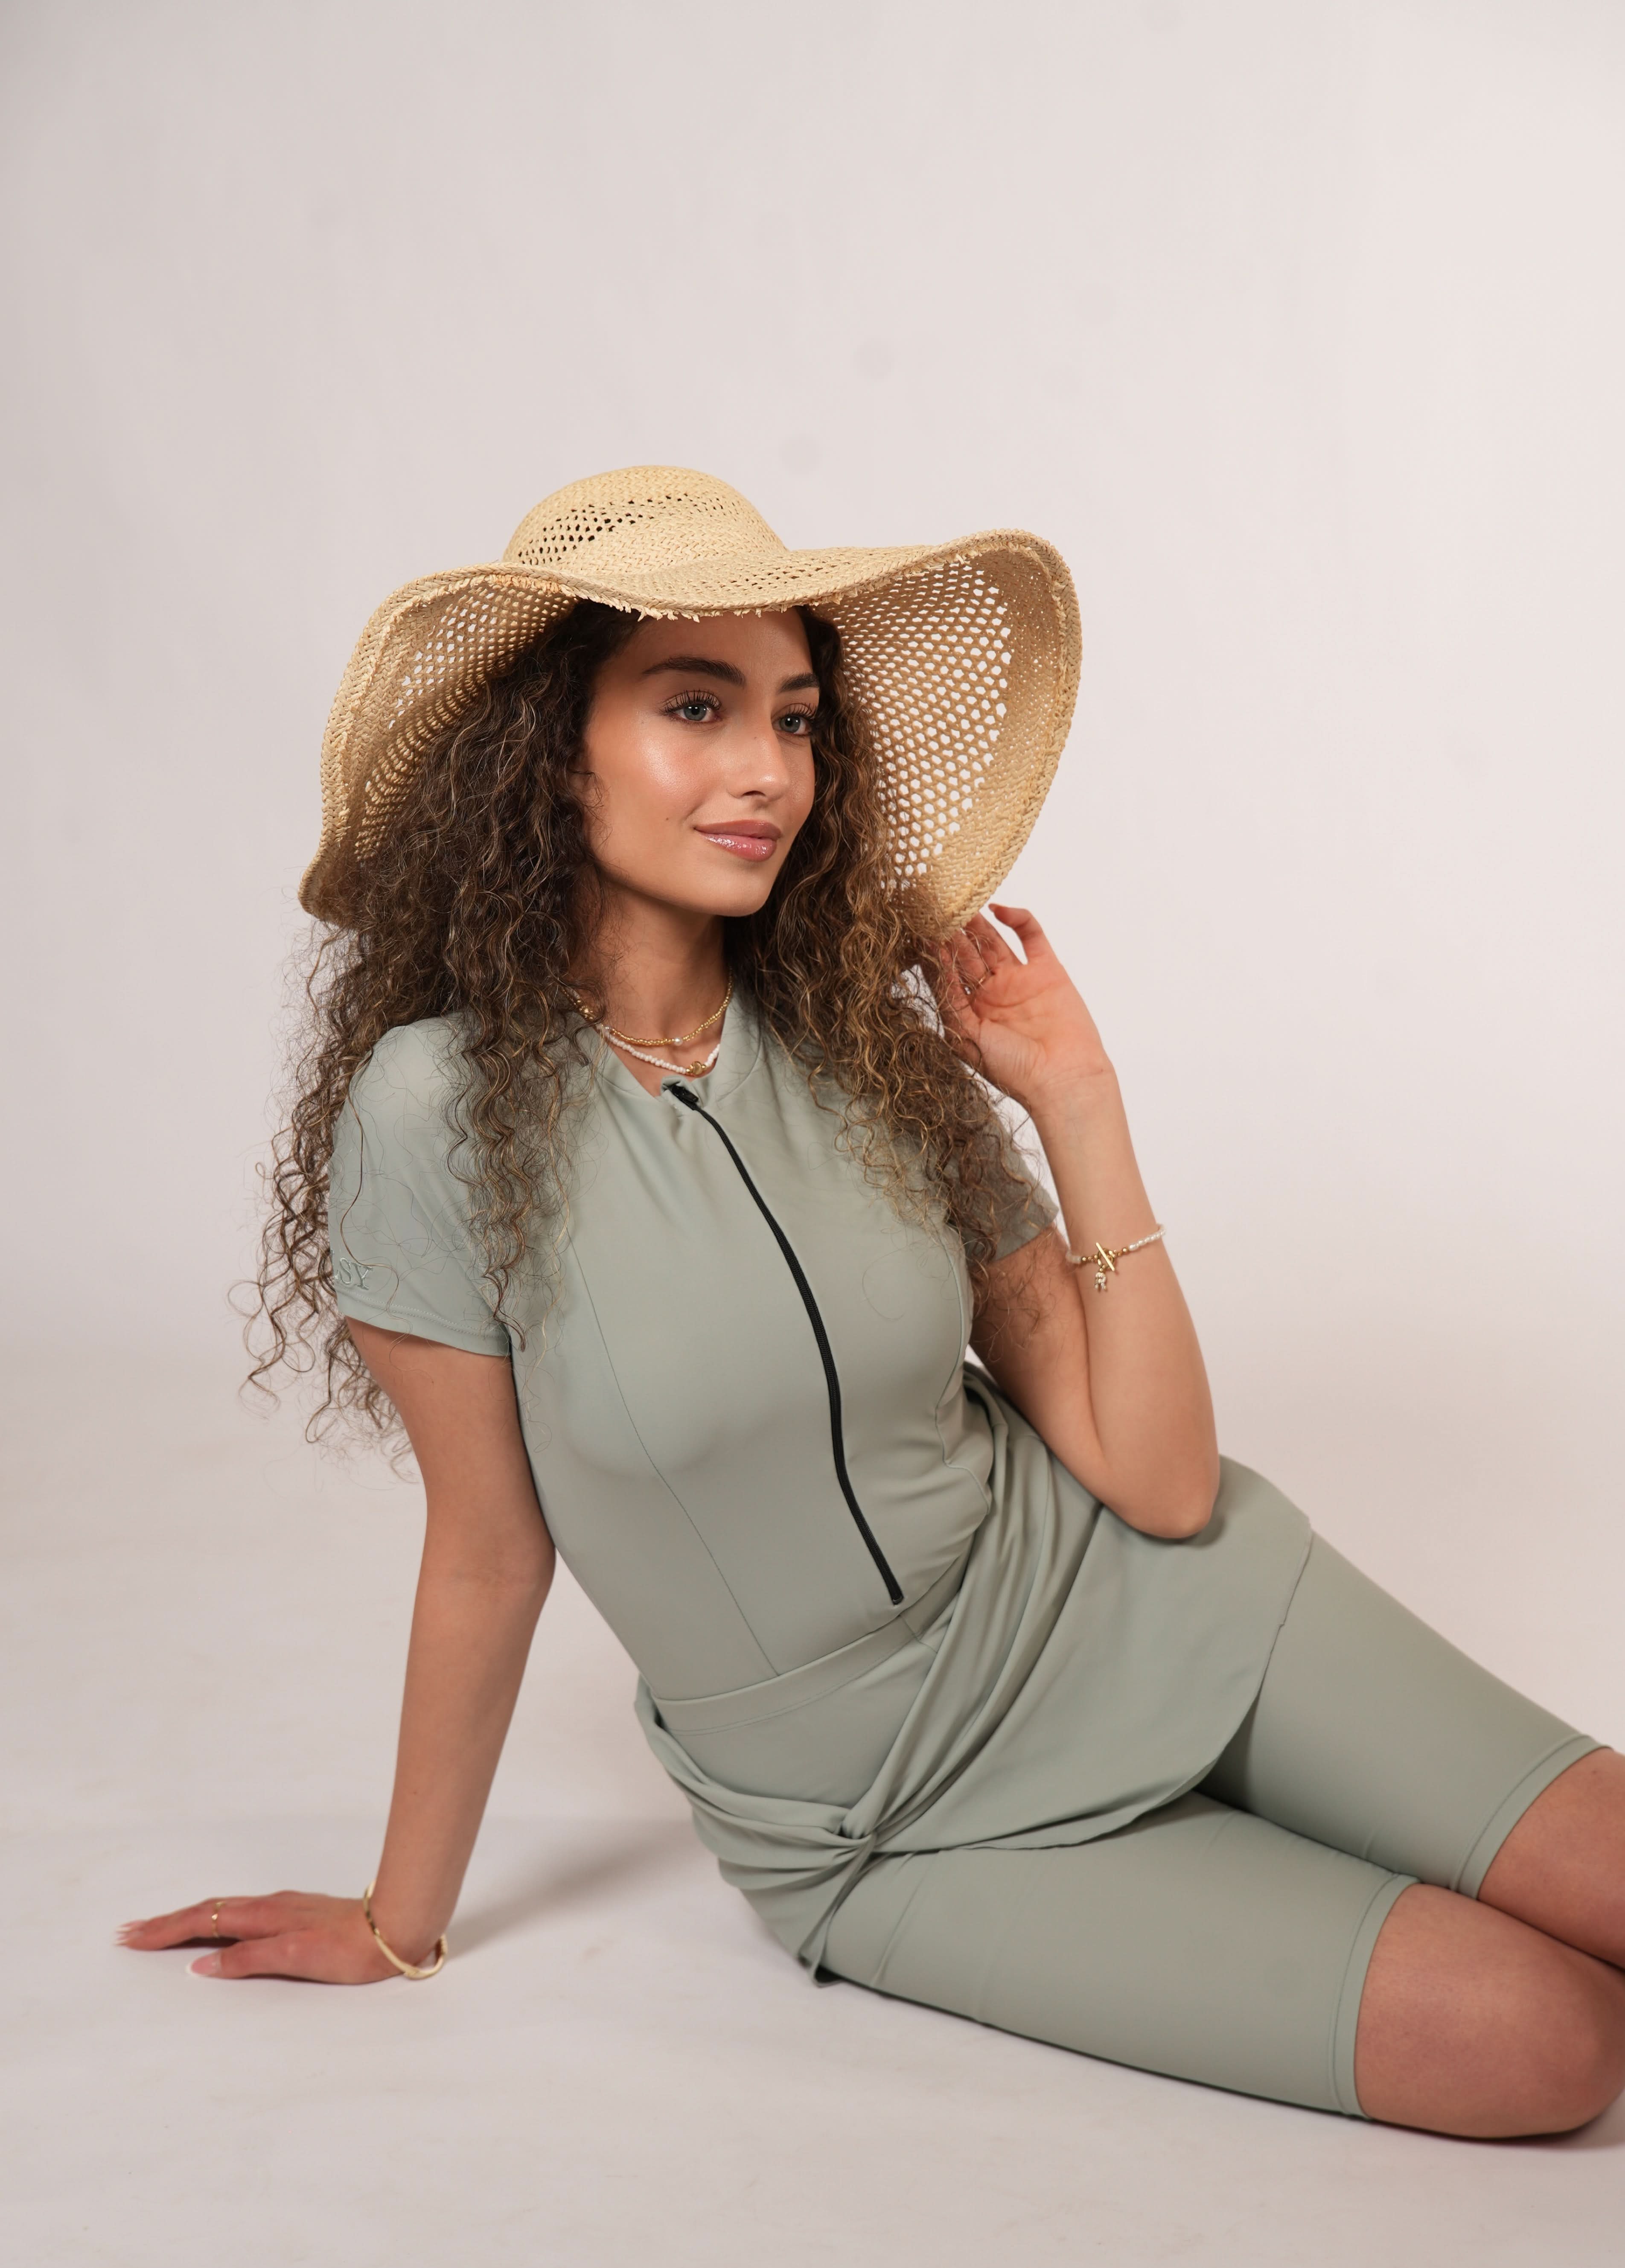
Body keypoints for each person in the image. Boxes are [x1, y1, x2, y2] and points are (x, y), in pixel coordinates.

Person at [121, 467, 1625, 2138]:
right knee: (1547, 2047)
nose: (769, 768)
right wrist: (400, 1923)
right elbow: (487, 1549)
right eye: (695, 707)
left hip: (1147, 1599)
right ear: (550, 751)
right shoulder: (432, 1113)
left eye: (794, 717)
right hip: (884, 1814)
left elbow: (1161, 1484)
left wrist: (1080, 1105)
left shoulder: (867, 1053)